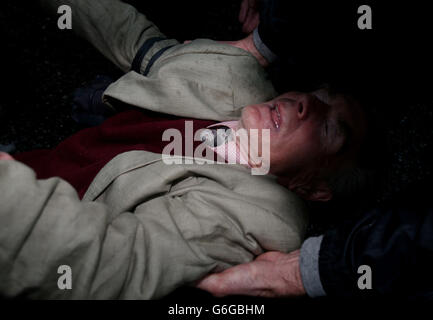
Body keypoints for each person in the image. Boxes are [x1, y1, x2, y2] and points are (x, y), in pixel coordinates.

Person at [0, 0, 368, 299]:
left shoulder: (259, 218)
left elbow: (117, 261)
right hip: (36, 165)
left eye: (328, 128)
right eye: (318, 95)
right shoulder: (237, 76)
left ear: (314, 188)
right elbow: (135, 40)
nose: (306, 103)